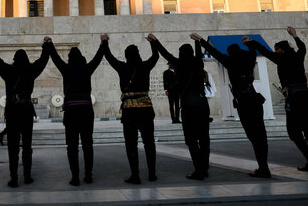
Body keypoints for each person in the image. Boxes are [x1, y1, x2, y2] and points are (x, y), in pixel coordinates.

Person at [193, 34, 270, 178]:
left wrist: (200, 41)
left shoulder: (230, 61)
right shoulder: (249, 59)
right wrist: (249, 43)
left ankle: (263, 168)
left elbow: (214, 52)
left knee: (253, 135)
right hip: (254, 98)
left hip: (243, 101)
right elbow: (253, 51)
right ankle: (264, 166)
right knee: (261, 134)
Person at [247, 27, 308, 171]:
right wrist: (295, 35)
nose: (275, 52)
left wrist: (252, 42)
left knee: (293, 131)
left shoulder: (280, 59)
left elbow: (265, 52)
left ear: (281, 50)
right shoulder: (299, 56)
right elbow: (302, 47)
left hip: (294, 97)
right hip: (306, 94)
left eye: (277, 49)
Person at [46, 35, 104, 185]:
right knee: (87, 144)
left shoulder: (66, 69)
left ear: (70, 58)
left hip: (71, 112)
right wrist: (104, 42)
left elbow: (55, 58)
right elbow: (98, 57)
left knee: (72, 146)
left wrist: (49, 44)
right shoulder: (87, 69)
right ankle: (88, 175)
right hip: (85, 111)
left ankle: (75, 177)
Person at [0, 42, 49, 188]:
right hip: (26, 111)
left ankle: (14, 178)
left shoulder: (8, 71)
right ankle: (27, 176)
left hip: (12, 111)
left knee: (13, 147)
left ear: (15, 59)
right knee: (27, 146)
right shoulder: (31, 70)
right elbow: (43, 60)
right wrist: (46, 47)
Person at [104, 33, 159, 184]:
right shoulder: (145, 66)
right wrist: (153, 42)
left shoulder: (122, 67)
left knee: (131, 144)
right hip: (146, 109)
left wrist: (104, 42)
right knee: (149, 143)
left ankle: (135, 175)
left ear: (126, 56)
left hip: (129, 111)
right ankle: (152, 173)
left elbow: (108, 56)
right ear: (138, 55)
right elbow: (156, 56)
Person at [152, 34, 208, 180]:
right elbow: (198, 55)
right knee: (204, 138)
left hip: (189, 104)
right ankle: (204, 167)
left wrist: (155, 41)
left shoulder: (178, 64)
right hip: (202, 103)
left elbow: (165, 53)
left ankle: (199, 169)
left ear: (181, 53)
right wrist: (197, 42)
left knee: (191, 139)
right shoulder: (198, 62)